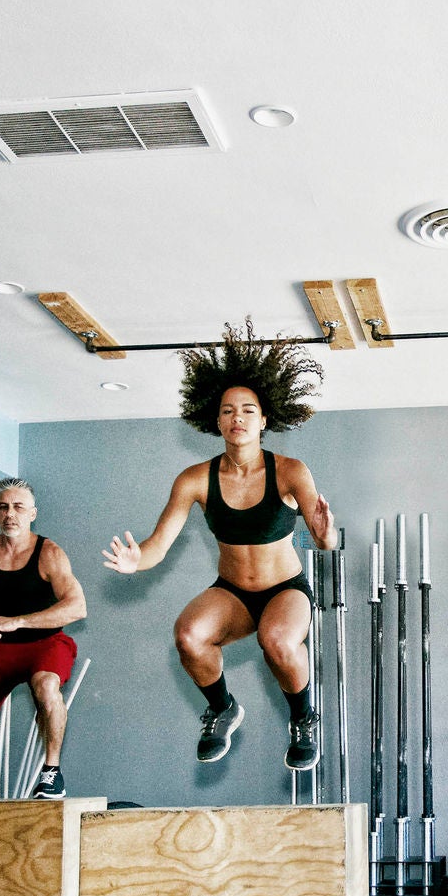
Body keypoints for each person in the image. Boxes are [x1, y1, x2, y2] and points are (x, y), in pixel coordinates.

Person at [103, 322, 337, 770]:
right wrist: (137, 562)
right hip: (232, 592)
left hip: (285, 588)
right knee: (189, 636)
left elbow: (323, 540)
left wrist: (325, 532)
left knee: (277, 641)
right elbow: (157, 545)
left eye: (248, 410)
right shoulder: (195, 479)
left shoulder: (290, 470)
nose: (238, 418)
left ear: (265, 419)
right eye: (229, 410)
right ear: (216, 420)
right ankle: (222, 707)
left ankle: (303, 717)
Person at [0, 478, 87, 799]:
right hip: (0, 647)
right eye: (4, 507)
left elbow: (77, 607)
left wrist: (19, 621)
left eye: (19, 507)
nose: (11, 514)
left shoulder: (49, 553)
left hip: (46, 644)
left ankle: (51, 772)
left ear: (32, 513)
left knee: (48, 688)